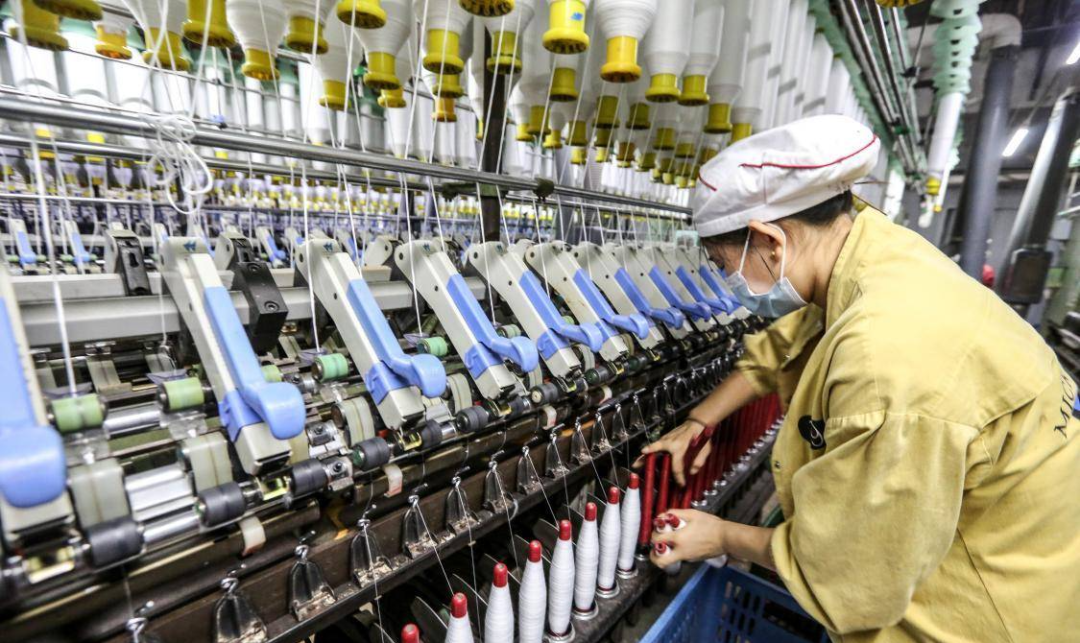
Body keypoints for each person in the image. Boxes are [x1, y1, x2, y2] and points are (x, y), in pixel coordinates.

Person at [640, 114, 1080, 642]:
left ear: (770, 242)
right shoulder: (878, 258)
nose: (725, 279)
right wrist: (699, 421)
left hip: (988, 614)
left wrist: (722, 536)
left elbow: (849, 574)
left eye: (721, 263)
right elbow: (783, 347)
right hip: (1035, 555)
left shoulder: (886, 358)